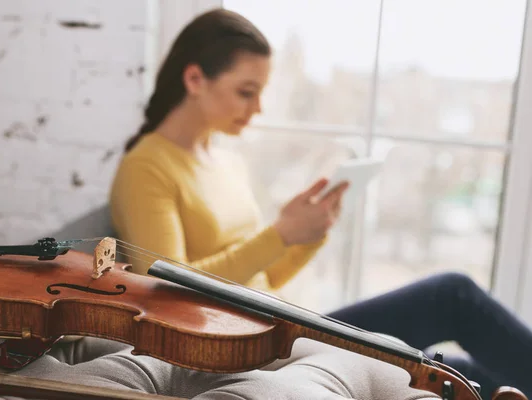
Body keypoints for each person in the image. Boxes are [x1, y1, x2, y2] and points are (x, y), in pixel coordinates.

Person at [109, 8, 531, 400]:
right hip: (240, 345)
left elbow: (267, 275)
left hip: (275, 323)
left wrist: (308, 233)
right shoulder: (146, 165)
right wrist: (280, 234)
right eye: (246, 92)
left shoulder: (222, 160)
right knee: (451, 296)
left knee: (456, 369)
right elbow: (166, 287)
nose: (257, 108)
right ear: (195, 79)